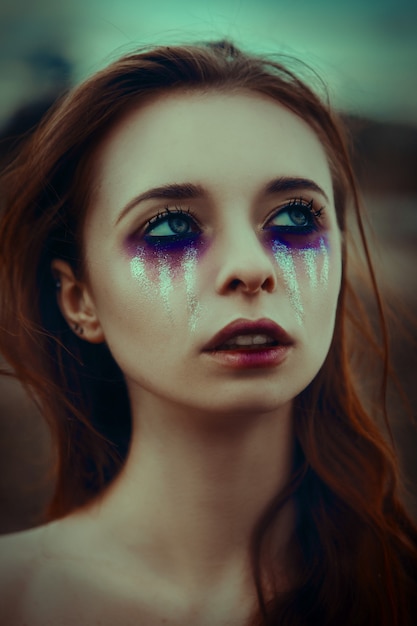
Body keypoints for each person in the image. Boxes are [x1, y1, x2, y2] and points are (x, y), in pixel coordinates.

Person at [0, 40, 416, 626]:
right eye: (170, 227)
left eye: (296, 217)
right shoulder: (15, 598)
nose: (252, 267)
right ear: (80, 299)